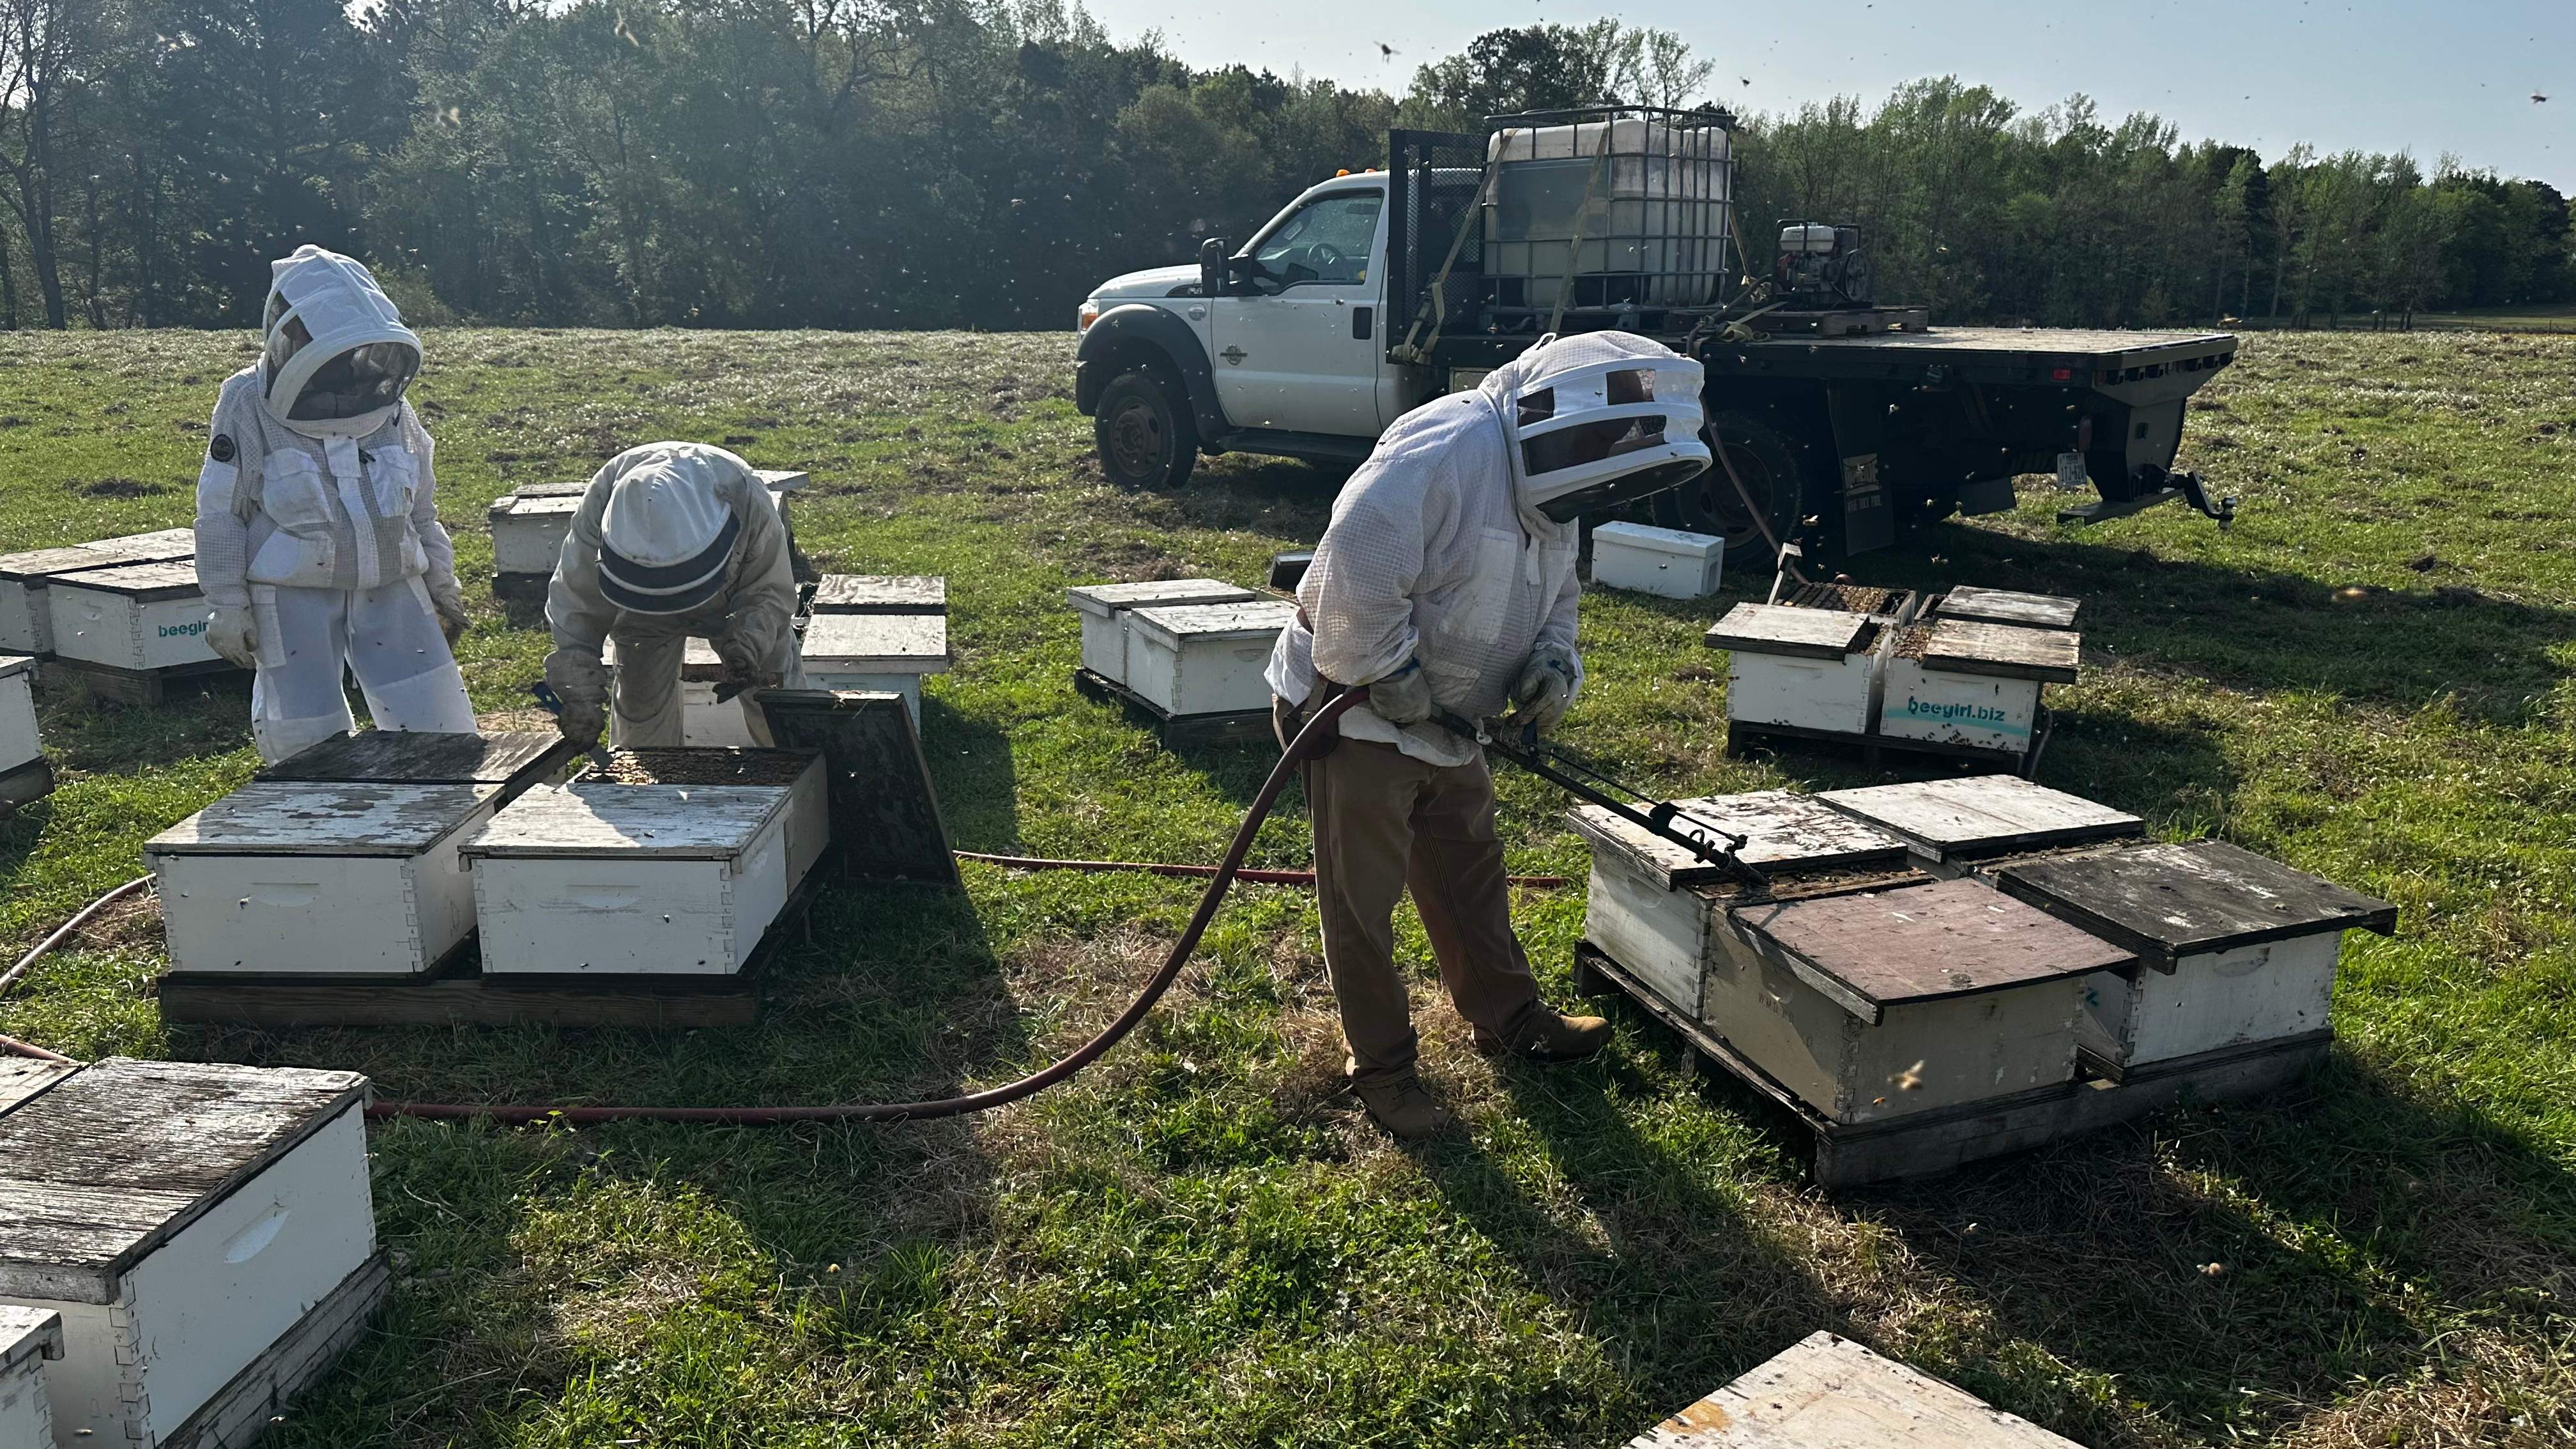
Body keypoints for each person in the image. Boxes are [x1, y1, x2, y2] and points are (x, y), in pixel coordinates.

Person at [1268, 331, 1713, 1139]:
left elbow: (1557, 594)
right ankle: (1384, 1070)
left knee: (1468, 865)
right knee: (1362, 901)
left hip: (1448, 719)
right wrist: (1390, 674)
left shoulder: (1559, 482)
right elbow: (1355, 566)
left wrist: (1551, 660)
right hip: (1354, 704)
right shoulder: (1448, 448)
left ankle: (1509, 1019)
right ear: (1557, 416)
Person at [195, 245, 476, 764]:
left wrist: (441, 582)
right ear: (290, 336)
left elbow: (421, 508)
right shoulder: (245, 401)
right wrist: (227, 604)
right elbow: (221, 513)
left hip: (393, 584)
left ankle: (444, 824)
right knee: (306, 739)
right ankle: (318, 833)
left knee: (441, 729)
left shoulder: (385, 397)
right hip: (292, 592)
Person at [540, 442, 805, 750]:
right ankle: (644, 792)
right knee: (640, 709)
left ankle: (803, 778)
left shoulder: (743, 495)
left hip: (733, 599)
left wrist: (749, 642)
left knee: (777, 704)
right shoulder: (603, 498)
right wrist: (578, 685)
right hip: (641, 616)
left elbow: (768, 592)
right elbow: (577, 599)